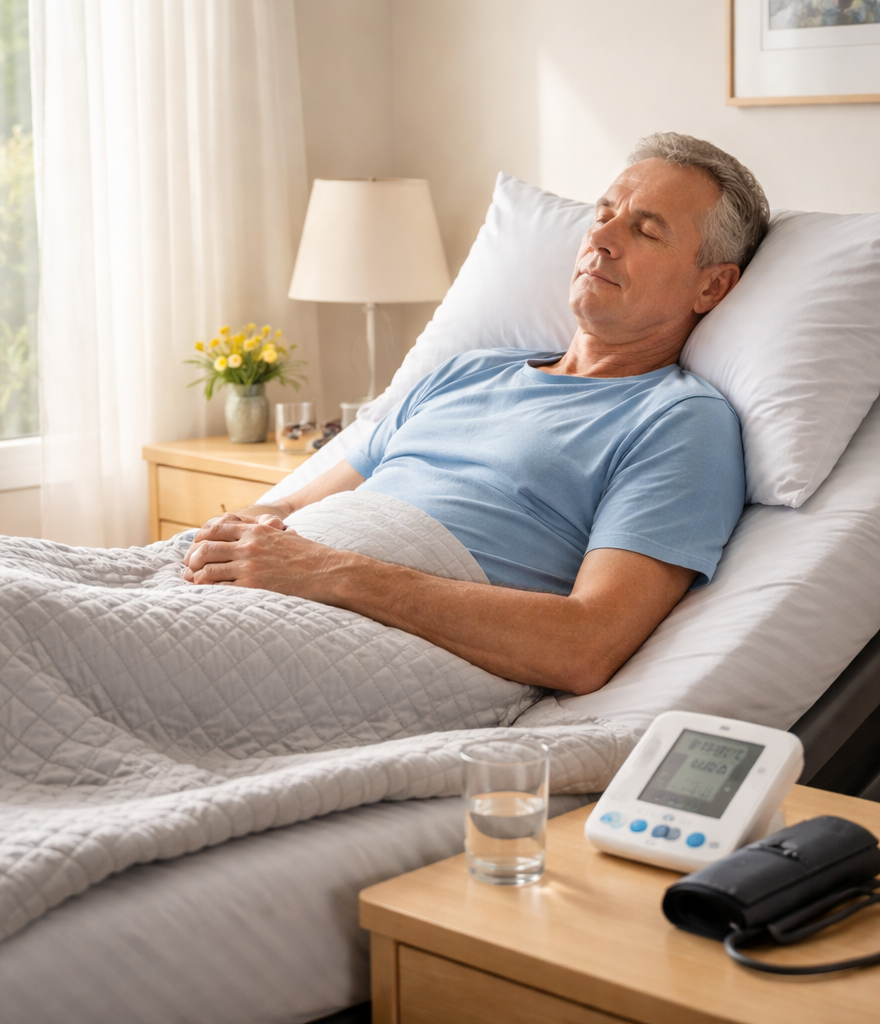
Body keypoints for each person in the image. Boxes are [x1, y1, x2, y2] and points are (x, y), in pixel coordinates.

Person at [182, 133, 769, 695]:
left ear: (711, 289)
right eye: (603, 214)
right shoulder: (468, 371)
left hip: (356, 642)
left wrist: (327, 572)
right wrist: (238, 534)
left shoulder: (681, 422)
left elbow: (586, 644)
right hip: (258, 592)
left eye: (645, 231)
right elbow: (289, 508)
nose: (603, 239)